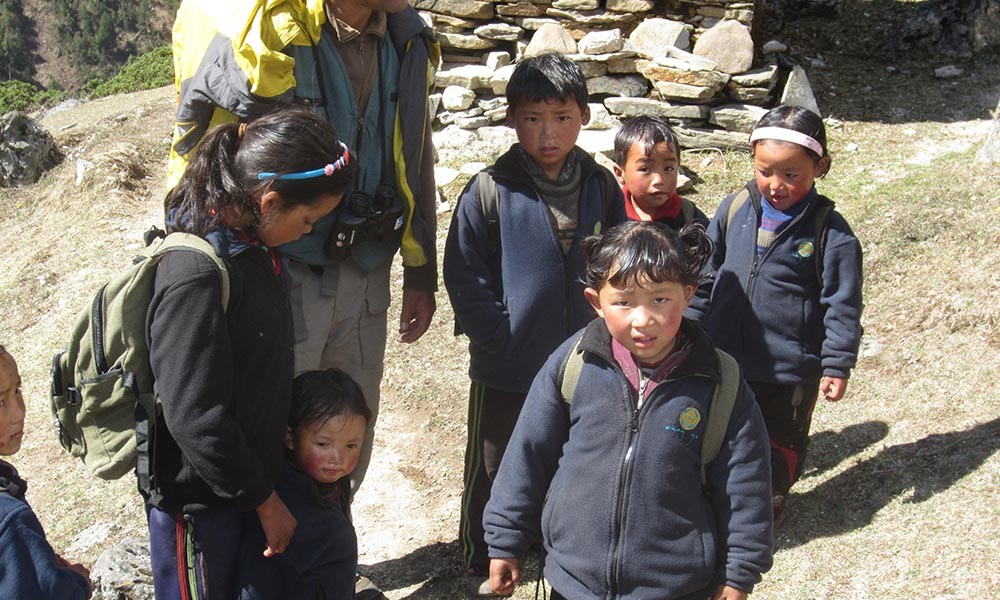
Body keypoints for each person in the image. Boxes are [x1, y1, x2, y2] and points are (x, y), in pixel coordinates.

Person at [169, 0, 440, 501]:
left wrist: (421, 271)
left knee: (348, 421)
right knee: (273, 419)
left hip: (365, 269)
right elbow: (215, 158)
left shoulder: (408, 41)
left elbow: (417, 157)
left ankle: (331, 549)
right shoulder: (269, 35)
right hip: (279, 273)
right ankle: (275, 557)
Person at [484, 221, 774, 600]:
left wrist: (738, 575)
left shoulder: (721, 383)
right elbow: (528, 454)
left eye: (660, 299)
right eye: (623, 301)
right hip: (575, 582)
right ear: (595, 302)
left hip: (675, 587)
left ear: (688, 294)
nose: (643, 320)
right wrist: (505, 540)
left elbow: (745, 486)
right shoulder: (574, 363)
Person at [147, 106, 353, 600]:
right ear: (269, 201)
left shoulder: (251, 247)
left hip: (242, 489)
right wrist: (263, 499)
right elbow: (195, 416)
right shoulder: (194, 274)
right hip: (199, 504)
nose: (308, 232)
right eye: (307, 220)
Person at [443, 52, 627, 595]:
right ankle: (483, 548)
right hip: (510, 360)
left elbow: (618, 256)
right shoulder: (489, 190)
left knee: (569, 446)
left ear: (585, 117)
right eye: (532, 118)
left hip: (583, 352)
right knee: (496, 455)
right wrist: (496, 335)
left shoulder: (599, 185)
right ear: (510, 119)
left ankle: (554, 540)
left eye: (562, 118)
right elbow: (464, 272)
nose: (548, 134)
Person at [687, 105, 864, 528]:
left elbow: (842, 304)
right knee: (723, 434)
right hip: (725, 356)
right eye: (766, 171)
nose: (776, 185)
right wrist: (689, 327)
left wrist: (837, 362)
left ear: (820, 167)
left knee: (778, 442)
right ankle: (721, 501)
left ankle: (768, 505)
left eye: (791, 174)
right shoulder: (733, 210)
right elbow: (706, 275)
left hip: (789, 370)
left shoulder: (831, 235)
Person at [236, 368, 371, 600]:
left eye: (351, 446)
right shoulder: (281, 513)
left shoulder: (331, 486)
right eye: (323, 444)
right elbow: (256, 588)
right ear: (290, 438)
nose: (338, 459)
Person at [0, 344, 92, 600]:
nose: (18, 413)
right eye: (0, 402)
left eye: (17, 391)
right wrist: (77, 583)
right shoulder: (9, 520)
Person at [612, 115, 708, 229]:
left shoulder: (689, 216)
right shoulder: (611, 216)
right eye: (645, 169)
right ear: (619, 173)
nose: (659, 180)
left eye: (668, 169)